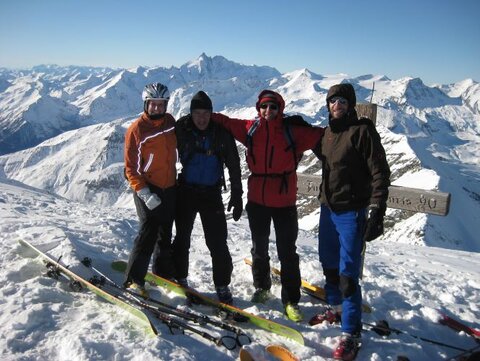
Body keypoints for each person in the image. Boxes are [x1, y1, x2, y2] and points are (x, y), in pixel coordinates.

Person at [211, 90, 324, 321]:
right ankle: (262, 288)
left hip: (284, 203)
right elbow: (226, 122)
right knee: (259, 249)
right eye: (264, 107)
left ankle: (291, 301)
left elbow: (324, 136)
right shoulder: (252, 129)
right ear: (258, 108)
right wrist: (199, 114)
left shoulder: (292, 131)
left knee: (287, 253)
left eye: (273, 107)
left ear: (280, 108)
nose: (268, 111)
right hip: (258, 202)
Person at [310, 83, 391, 360]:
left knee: (348, 274)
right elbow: (323, 157)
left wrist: (377, 211)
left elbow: (380, 172)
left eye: (342, 101)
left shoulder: (362, 132)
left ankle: (351, 332)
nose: (337, 105)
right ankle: (336, 308)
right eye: (333, 101)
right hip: (328, 209)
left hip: (350, 213)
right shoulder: (328, 134)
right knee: (329, 265)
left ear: (351, 104)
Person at [171, 90, 243, 304]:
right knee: (182, 238)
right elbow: (162, 151)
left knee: (218, 242)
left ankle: (222, 285)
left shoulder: (221, 133)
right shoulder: (181, 129)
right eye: (197, 113)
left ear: (212, 113)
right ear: (191, 114)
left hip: (211, 193)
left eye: (206, 113)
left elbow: (233, 164)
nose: (201, 118)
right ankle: (180, 278)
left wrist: (237, 194)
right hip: (186, 191)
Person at [123, 82, 177, 297]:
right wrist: (144, 193)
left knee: (165, 233)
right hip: (148, 187)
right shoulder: (137, 130)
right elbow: (130, 168)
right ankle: (133, 280)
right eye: (153, 104)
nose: (157, 108)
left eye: (161, 104)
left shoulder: (170, 122)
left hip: (169, 186)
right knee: (147, 232)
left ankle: (162, 273)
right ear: (146, 104)